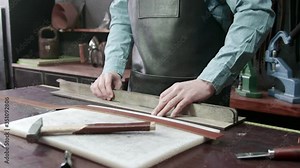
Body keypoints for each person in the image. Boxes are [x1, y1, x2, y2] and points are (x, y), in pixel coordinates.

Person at [90, 0, 275, 117]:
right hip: (140, 102)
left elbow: (255, 11)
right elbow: (122, 17)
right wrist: (112, 67)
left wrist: (209, 80)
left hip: (199, 108)